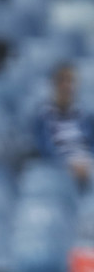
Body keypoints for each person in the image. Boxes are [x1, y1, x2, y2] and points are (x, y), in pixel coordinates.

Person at [33, 62, 94, 190]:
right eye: (61, 80)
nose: (66, 86)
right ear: (53, 84)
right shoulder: (42, 117)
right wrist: (68, 165)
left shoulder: (86, 115)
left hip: (88, 164)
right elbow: (44, 149)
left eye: (70, 81)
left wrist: (86, 162)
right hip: (59, 168)